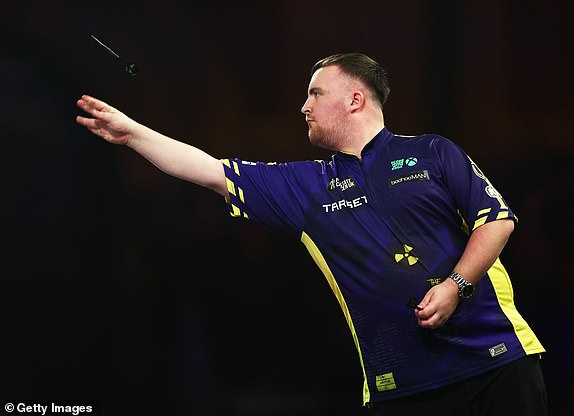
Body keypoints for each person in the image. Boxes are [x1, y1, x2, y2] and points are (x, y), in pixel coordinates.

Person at [76, 53, 547, 415]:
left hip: (498, 362)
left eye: (315, 93)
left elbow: (498, 219)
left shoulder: (433, 152)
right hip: (403, 386)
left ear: (355, 99)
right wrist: (133, 133)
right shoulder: (305, 186)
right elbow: (209, 170)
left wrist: (455, 286)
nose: (303, 106)